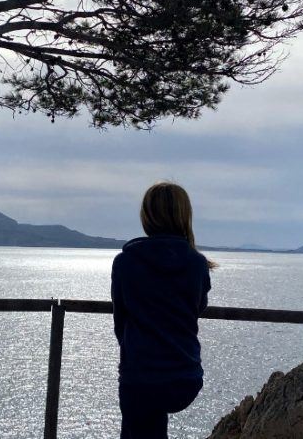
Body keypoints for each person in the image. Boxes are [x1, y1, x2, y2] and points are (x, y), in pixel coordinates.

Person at [111, 182, 213, 439]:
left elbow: (120, 323)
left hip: (141, 375)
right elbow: (198, 307)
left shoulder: (125, 262)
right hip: (185, 377)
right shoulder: (197, 264)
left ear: (147, 216)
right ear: (184, 216)